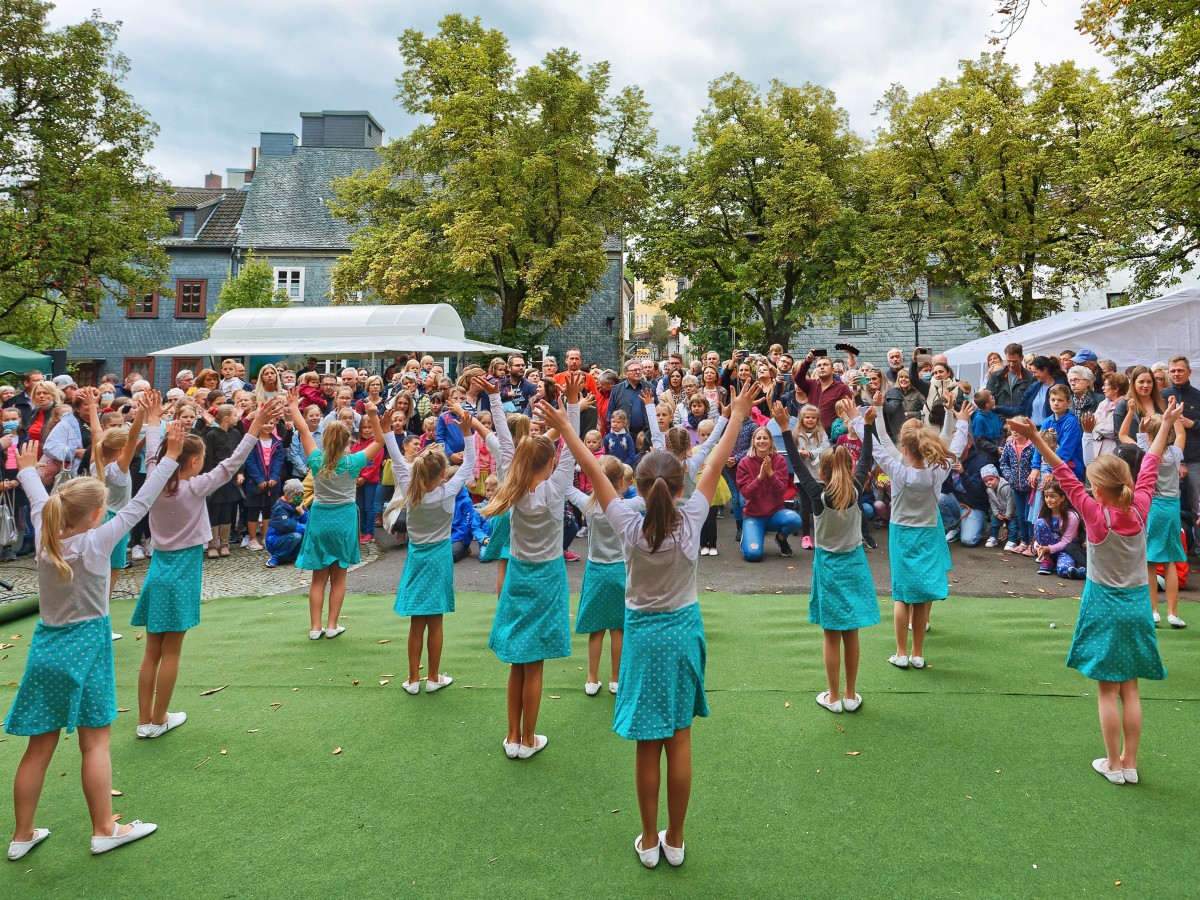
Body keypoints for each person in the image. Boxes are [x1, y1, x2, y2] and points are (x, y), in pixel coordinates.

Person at [539, 379, 759, 869]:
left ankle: (647, 838)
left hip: (642, 635)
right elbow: (716, 460)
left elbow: (594, 469)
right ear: (679, 489)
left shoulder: (624, 522)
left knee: (647, 743)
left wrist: (567, 424)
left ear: (636, 488)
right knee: (679, 736)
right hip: (682, 631)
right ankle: (675, 839)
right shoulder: (693, 515)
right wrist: (737, 414)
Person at [5, 425, 184, 860]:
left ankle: (21, 835)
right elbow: (139, 504)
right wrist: (170, 457)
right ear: (93, 516)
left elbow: (38, 500)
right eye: (102, 508)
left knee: (38, 747)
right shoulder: (96, 542)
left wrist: (29, 470)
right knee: (95, 743)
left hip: (47, 648)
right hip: (89, 646)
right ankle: (105, 828)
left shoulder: (45, 533)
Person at [1008, 402, 1180, 786]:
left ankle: (1113, 764)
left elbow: (1063, 472)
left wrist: (1035, 437)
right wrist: (1165, 424)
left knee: (1107, 691)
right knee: (1131, 688)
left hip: (1103, 605)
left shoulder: (1091, 511)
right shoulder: (1140, 506)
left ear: (1097, 490)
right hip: (1137, 605)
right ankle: (1130, 763)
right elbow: (1150, 464)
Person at [134, 394, 281, 739]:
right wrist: (255, 426)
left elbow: (157, 452)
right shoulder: (195, 487)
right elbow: (230, 466)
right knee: (171, 650)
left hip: (158, 569)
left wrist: (155, 421)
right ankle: (158, 718)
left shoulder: (155, 480)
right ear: (196, 462)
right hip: (183, 569)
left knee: (152, 650)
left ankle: (145, 719)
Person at [480, 373, 583, 760]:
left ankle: (512, 736)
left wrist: (493, 397)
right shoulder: (556, 488)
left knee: (516, 663)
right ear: (552, 461)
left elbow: (508, 444)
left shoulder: (514, 484)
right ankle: (527, 737)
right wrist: (571, 406)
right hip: (548, 575)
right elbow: (570, 449)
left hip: (520, 574)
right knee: (534, 663)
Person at [853, 394, 973, 669]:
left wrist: (859, 420)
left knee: (902, 595)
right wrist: (961, 421)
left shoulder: (897, 469)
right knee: (920, 598)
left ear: (905, 449)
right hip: (929, 532)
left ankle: (901, 652)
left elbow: (876, 446)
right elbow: (955, 444)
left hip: (902, 534)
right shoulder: (937, 471)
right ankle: (918, 653)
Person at [776, 401, 878, 714]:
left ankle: (833, 697)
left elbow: (795, 463)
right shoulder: (857, 489)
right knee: (851, 633)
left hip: (829, 567)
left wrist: (783, 428)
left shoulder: (817, 494)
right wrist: (864, 424)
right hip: (855, 565)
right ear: (850, 468)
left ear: (821, 471)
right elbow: (867, 459)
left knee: (831, 634)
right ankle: (850, 693)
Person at [385, 402, 482, 694]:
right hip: (440, 554)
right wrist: (467, 432)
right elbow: (469, 463)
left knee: (417, 621)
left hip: (417, 555)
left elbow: (395, 455)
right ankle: (433, 677)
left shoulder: (410, 486)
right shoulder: (448, 491)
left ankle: (413, 679)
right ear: (443, 474)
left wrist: (388, 428)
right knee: (435, 620)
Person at [287, 389, 384, 640]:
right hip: (343, 518)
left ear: (326, 439)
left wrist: (293, 406)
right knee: (339, 576)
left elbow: (304, 431)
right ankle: (332, 625)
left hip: (320, 517)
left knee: (318, 577)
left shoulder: (316, 459)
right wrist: (373, 416)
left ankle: (314, 627)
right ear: (347, 441)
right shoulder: (353, 463)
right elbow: (380, 442)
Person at [565, 455, 632, 696]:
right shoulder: (626, 507)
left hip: (596, 571)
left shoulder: (589, 505)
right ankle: (615, 678)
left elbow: (566, 486)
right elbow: (648, 499)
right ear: (621, 481)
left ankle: (592, 679)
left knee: (597, 629)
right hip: (619, 570)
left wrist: (572, 462)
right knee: (618, 628)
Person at [1138, 414, 1187, 627]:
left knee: (1150, 560)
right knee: (1170, 561)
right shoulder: (1176, 453)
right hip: (1173, 508)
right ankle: (1173, 613)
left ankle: (1153, 610)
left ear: (1149, 436)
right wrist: (1173, 414)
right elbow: (1182, 433)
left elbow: (1139, 438)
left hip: (1155, 506)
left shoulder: (1149, 453)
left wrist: (1142, 429)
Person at [736, 425, 803, 560]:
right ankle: (748, 537)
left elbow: (781, 491)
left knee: (795, 520)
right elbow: (746, 494)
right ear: (753, 441)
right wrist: (760, 477)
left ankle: (781, 538)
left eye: (765, 438)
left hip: (775, 515)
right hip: (754, 516)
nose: (762, 441)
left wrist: (770, 474)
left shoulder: (779, 461)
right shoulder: (744, 463)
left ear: (771, 441)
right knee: (753, 555)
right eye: (758, 438)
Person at [1160, 356, 1200, 551]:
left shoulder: (1198, 396)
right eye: (1173, 370)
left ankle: (1198, 549)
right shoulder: (1162, 395)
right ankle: (1172, 548)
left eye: (1180, 370)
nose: (1176, 374)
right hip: (1166, 461)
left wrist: (1193, 424)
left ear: (1189, 372)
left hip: (1194, 460)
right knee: (1167, 504)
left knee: (1196, 506)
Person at [791, 405, 829, 550]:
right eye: (807, 417)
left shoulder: (821, 432)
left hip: (818, 474)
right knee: (805, 505)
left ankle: (820, 535)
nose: (810, 420)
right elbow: (793, 450)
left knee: (819, 503)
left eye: (813, 417)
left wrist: (811, 453)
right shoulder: (796, 433)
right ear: (802, 418)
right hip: (802, 475)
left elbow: (825, 447)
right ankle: (806, 536)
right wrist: (801, 453)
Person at [1032, 477, 1085, 578]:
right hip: (1047, 551)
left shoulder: (1072, 516)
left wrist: (1048, 548)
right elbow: (1037, 536)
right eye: (1046, 496)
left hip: (1065, 550)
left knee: (1064, 570)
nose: (1048, 500)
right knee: (1039, 523)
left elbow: (1066, 542)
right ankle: (1048, 560)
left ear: (1062, 498)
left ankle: (1081, 572)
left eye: (1052, 496)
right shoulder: (1043, 513)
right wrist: (1038, 547)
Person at [792, 352, 854, 432]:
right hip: (810, 433)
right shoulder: (811, 384)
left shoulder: (842, 388)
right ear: (816, 370)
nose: (822, 367)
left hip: (831, 437)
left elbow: (848, 413)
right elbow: (797, 379)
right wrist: (807, 362)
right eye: (819, 365)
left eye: (825, 364)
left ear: (832, 370)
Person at [1116, 366, 1165, 444]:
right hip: (1135, 453)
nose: (1146, 385)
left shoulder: (1162, 404)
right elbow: (1119, 437)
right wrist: (1142, 450)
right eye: (1141, 382)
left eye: (1149, 382)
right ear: (1133, 383)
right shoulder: (1123, 405)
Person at [264, 479, 307, 568]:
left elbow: (310, 521)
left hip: (292, 538)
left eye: (301, 494)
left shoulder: (298, 505)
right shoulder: (279, 507)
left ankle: (295, 556)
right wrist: (307, 528)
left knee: (304, 534)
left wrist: (302, 512)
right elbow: (287, 525)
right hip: (276, 539)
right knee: (297, 535)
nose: (299, 497)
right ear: (290, 493)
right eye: (297, 494)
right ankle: (276, 557)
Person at [986, 343, 1035, 415]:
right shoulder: (996, 377)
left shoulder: (1031, 378)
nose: (1011, 365)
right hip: (1000, 422)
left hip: (1022, 422)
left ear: (1021, 358)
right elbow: (988, 402)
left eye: (1015, 361)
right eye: (1009, 361)